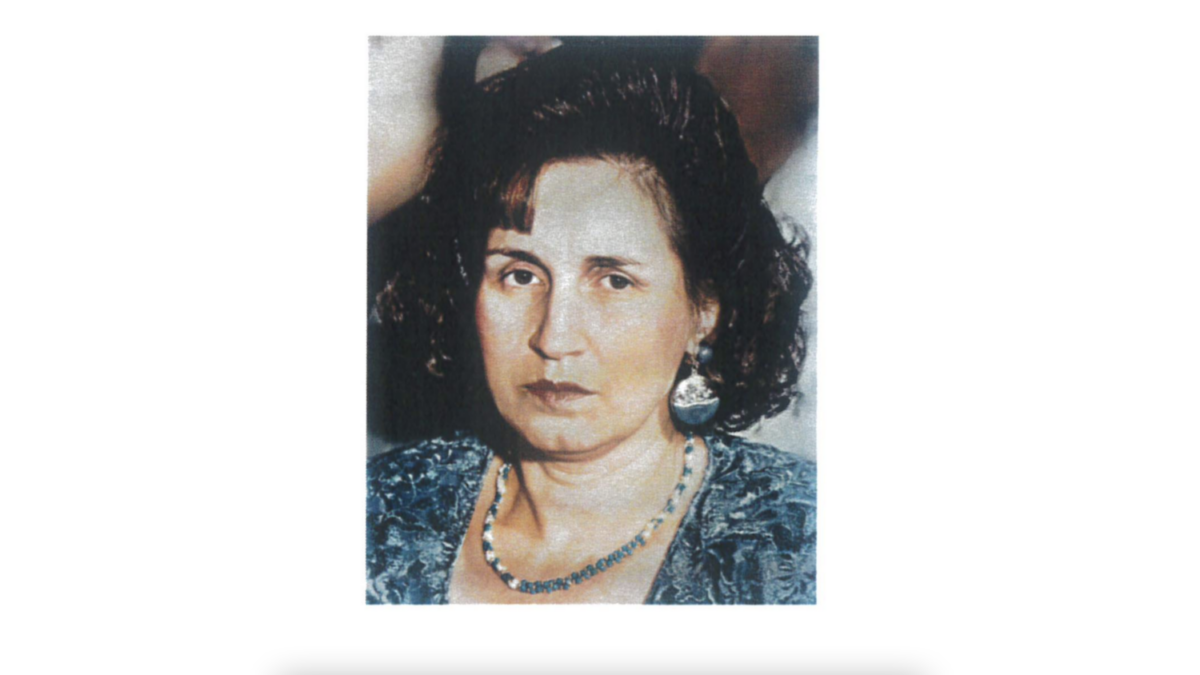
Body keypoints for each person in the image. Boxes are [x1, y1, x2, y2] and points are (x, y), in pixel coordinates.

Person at [367, 43, 815, 604]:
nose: (554, 338)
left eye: (615, 281)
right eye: (520, 275)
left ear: (705, 310)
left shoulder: (805, 546)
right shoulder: (379, 510)